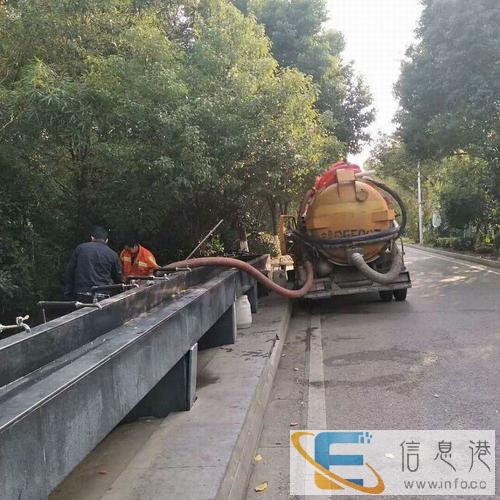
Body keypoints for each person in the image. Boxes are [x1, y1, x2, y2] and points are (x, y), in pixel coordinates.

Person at [64, 226, 122, 301]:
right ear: (106, 240)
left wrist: (68, 294)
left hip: (82, 294)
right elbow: (118, 278)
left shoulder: (80, 248)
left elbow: (70, 272)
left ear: (92, 238)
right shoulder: (113, 254)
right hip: (103, 296)